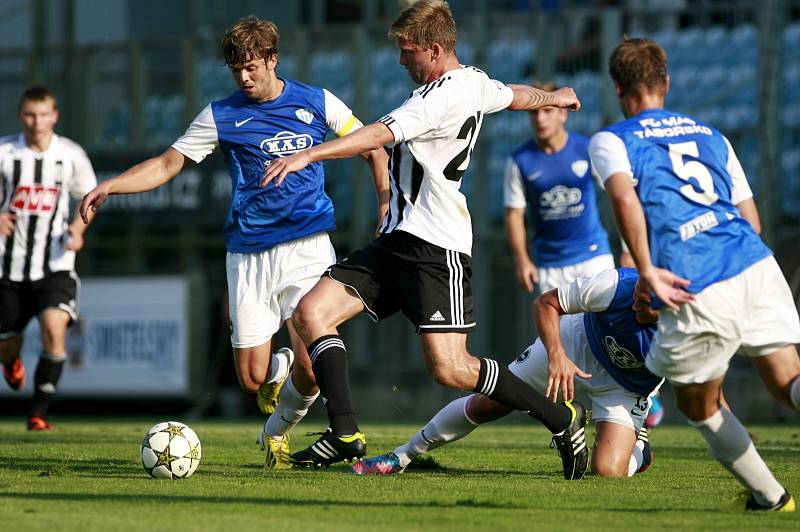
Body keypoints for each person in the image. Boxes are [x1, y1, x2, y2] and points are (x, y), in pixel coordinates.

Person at [262, 0, 589, 476]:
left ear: (435, 50)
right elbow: (512, 95)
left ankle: (560, 418)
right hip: (396, 239)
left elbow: (376, 135)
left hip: (436, 249)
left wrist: (308, 156)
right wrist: (554, 97)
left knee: (451, 370)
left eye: (408, 51)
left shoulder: (434, 100)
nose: (401, 60)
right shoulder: (473, 81)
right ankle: (345, 432)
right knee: (311, 313)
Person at [79, 16, 390, 469]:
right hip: (248, 254)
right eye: (236, 70)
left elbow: (372, 147)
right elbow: (168, 164)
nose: (244, 77)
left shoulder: (317, 101)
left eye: (251, 67)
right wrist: (111, 185)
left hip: (308, 247)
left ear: (272, 59)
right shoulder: (222, 114)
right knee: (250, 379)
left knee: (312, 367)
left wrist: (385, 205)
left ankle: (276, 434)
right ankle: (273, 396)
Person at [590, 37, 800, 511]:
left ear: (618, 88)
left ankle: (770, 497)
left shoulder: (613, 139)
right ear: (665, 83)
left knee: (698, 405)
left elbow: (624, 199)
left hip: (696, 280)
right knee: (789, 386)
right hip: (755, 262)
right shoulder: (711, 135)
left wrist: (646, 270)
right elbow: (753, 220)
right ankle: (767, 499)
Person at [353, 268, 661, 478]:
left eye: (645, 302)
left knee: (608, 471)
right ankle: (402, 456)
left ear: (668, 306)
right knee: (486, 403)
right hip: (576, 342)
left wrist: (651, 394)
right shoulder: (616, 285)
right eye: (638, 291)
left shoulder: (691, 330)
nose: (635, 300)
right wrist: (556, 354)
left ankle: (640, 449)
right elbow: (545, 303)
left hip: (625, 385)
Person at [0, 85, 97, 431]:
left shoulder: (70, 155)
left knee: (54, 329)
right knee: (8, 346)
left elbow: (91, 196)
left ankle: (38, 414)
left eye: (43, 115)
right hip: (8, 269)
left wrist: (78, 229)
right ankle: (9, 361)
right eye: (29, 114)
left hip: (55, 264)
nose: (36, 122)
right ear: (20, 116)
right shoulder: (5, 153)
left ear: (54, 116)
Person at [503, 81, 613, 295]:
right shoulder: (519, 160)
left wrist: (628, 249)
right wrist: (522, 260)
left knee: (602, 327)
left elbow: (616, 193)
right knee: (559, 330)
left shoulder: (586, 149)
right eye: (534, 112)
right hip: (549, 265)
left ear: (563, 114)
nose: (540, 119)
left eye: (547, 110)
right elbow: (514, 214)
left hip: (594, 256)